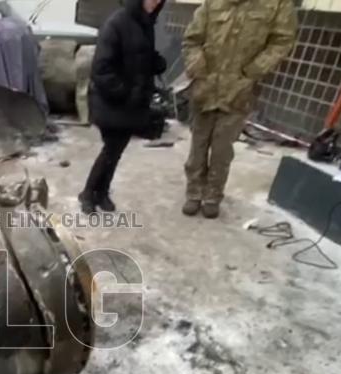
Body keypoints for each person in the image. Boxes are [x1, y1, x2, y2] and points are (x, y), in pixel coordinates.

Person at [182, 0, 297, 219]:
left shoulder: (276, 5)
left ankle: (212, 195)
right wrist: (197, 64)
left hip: (238, 89)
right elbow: (192, 38)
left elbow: (282, 41)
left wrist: (253, 71)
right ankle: (194, 192)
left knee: (222, 148)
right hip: (205, 85)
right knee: (198, 144)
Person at [78, 0, 168, 215]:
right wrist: (125, 93)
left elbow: (136, 57)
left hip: (132, 105)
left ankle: (102, 192)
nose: (155, 2)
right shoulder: (117, 23)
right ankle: (88, 193)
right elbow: (101, 69)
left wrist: (154, 63)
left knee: (116, 151)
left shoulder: (145, 23)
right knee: (110, 149)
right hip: (113, 102)